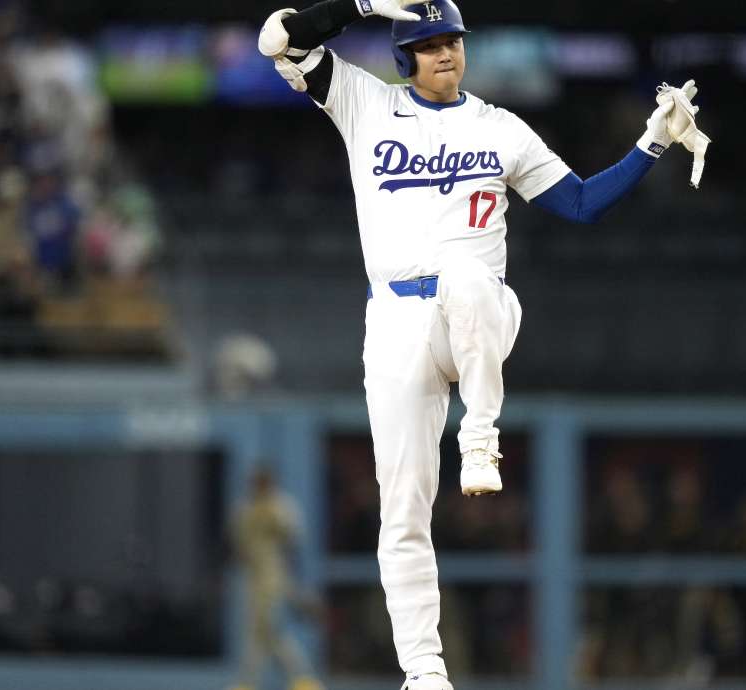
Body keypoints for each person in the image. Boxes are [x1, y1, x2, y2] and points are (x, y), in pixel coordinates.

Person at [257, 2, 709, 688]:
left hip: (480, 317)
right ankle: (425, 674)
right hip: (397, 323)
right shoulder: (364, 103)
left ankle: (480, 433)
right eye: (430, 43)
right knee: (402, 510)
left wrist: (650, 144)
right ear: (406, 53)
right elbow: (276, 38)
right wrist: (363, 7)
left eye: (453, 42)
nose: (446, 54)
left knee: (467, 274)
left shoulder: (499, 129)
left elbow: (581, 203)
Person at [229, 469, 324, 690]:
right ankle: (299, 680)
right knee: (260, 629)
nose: (259, 488)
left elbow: (293, 542)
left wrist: (297, 586)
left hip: (275, 576)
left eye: (263, 484)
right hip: (252, 578)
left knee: (265, 627)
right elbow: (238, 544)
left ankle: (300, 678)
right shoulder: (245, 508)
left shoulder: (280, 507)